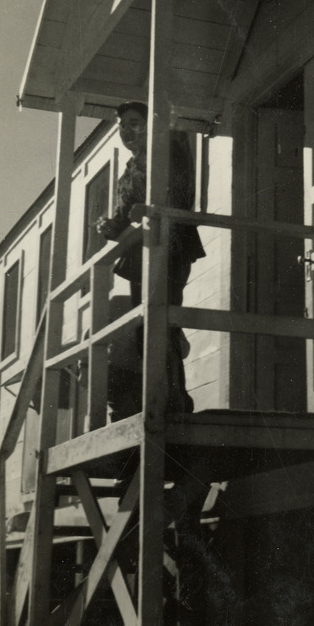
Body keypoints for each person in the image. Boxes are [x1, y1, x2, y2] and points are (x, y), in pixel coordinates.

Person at [97, 101, 205, 414]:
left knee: (163, 322)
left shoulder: (169, 149)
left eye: (134, 123)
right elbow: (122, 217)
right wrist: (109, 225)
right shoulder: (131, 167)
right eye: (122, 126)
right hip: (138, 252)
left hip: (169, 243)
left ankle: (176, 402)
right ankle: (156, 398)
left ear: (150, 124)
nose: (127, 131)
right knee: (146, 327)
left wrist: (150, 210)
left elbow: (180, 195)